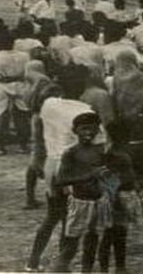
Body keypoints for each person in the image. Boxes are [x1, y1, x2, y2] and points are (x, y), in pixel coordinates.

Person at [25, 64, 104, 272]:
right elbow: (98, 144)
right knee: (73, 221)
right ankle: (61, 264)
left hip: (52, 163)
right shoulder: (85, 111)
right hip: (74, 168)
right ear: (83, 85)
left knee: (52, 216)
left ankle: (33, 261)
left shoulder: (49, 105)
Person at [52, 112, 113, 273]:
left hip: (98, 201)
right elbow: (60, 180)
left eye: (92, 129)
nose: (88, 133)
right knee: (71, 244)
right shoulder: (71, 153)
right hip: (80, 203)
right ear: (75, 130)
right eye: (84, 129)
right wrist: (89, 176)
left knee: (92, 240)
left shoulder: (100, 150)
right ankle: (58, 269)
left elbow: (108, 175)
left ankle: (86, 270)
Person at [109, 50, 143, 209]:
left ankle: (131, 200)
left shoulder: (113, 80)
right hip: (140, 125)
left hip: (121, 127)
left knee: (126, 161)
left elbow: (111, 102)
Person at [99, 121, 143, 274]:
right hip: (118, 196)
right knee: (112, 234)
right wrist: (116, 198)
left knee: (116, 233)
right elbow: (114, 179)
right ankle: (111, 268)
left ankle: (119, 267)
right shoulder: (117, 154)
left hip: (120, 195)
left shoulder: (116, 151)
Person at [23, 60, 62, 209]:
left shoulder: (29, 85)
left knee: (35, 159)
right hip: (45, 119)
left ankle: (30, 196)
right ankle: (51, 195)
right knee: (48, 158)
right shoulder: (44, 83)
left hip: (35, 118)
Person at [0, 32, 31, 155]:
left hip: (3, 87)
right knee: (22, 116)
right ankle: (23, 146)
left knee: (2, 115)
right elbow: (27, 72)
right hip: (21, 85)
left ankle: (0, 146)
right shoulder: (25, 56)